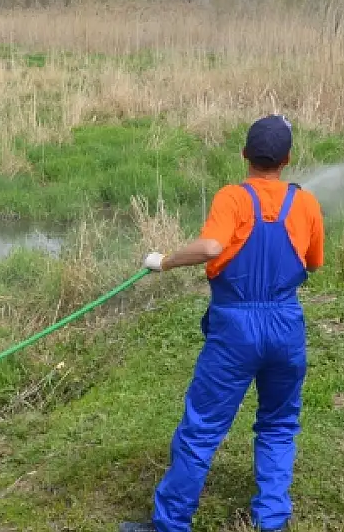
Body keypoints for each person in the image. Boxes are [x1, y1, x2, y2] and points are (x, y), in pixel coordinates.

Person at [120, 114, 325, 532]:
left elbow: (212, 245)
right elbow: (314, 263)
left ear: (244, 154)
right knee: (279, 423)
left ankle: (171, 524)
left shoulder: (233, 198)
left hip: (236, 328)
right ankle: (272, 520)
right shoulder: (305, 202)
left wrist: (164, 262)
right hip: (286, 326)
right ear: (287, 158)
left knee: (202, 428)